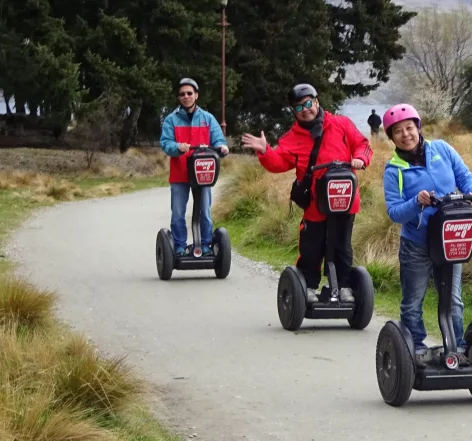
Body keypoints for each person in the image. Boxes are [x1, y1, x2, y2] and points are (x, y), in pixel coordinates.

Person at [240, 83, 372, 303]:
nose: (305, 109)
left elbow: (363, 144)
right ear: (294, 110)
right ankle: (308, 287)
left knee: (342, 246)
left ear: (317, 101)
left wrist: (360, 158)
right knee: (311, 247)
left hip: (344, 200)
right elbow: (279, 163)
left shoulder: (340, 124)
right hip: (314, 203)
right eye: (298, 106)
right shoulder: (292, 137)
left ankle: (344, 286)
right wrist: (265, 151)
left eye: (308, 103)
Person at [381, 103, 472, 359]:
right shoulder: (394, 169)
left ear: (418, 128)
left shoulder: (441, 149)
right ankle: (415, 348)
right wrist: (416, 201)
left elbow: (464, 176)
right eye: (398, 131)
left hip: (451, 238)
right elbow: (395, 212)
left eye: (409, 128)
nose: (406, 134)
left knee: (453, 300)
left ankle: (457, 348)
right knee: (412, 302)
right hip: (416, 243)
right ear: (392, 137)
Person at [159, 78, 229, 257]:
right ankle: (180, 247)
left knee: (204, 211)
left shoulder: (207, 118)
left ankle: (205, 246)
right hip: (180, 173)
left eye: (190, 93)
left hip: (203, 173)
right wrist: (177, 147)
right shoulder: (171, 120)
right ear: (178, 98)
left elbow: (218, 140)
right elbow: (165, 143)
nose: (186, 96)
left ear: (196, 95)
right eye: (182, 94)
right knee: (178, 213)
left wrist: (222, 147)